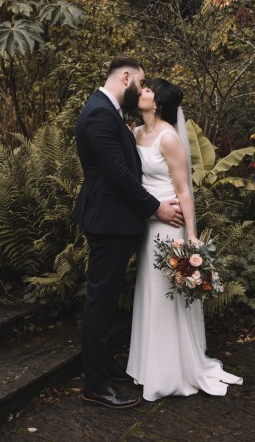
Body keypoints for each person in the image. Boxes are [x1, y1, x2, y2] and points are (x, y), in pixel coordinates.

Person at [73, 57, 184, 410]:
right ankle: (96, 385)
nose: (142, 86)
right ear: (126, 77)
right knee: (100, 302)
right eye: (141, 80)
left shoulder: (110, 111)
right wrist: (157, 208)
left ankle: (103, 365)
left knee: (105, 300)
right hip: (108, 221)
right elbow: (120, 175)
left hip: (117, 221)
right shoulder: (99, 114)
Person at [126, 78, 243, 401]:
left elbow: (183, 189)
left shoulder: (169, 137)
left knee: (165, 294)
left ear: (159, 103)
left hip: (170, 224)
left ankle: (169, 372)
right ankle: (147, 367)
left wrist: (190, 236)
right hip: (147, 222)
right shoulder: (136, 132)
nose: (142, 92)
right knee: (148, 291)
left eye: (148, 90)